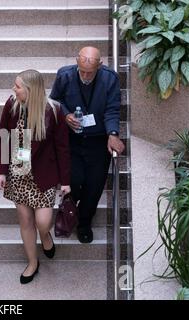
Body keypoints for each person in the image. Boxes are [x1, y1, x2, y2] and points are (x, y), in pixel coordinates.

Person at [0, 69, 71, 284]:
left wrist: (66, 181)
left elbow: (62, 148)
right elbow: (3, 138)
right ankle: (32, 263)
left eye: (17, 86)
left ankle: (45, 237)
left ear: (30, 90)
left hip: (43, 175)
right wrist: (1, 170)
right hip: (18, 174)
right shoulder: (12, 105)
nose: (14, 89)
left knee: (43, 223)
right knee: (26, 221)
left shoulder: (53, 111)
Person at [50, 46, 125, 244]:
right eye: (81, 70)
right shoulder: (64, 75)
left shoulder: (110, 78)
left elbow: (112, 109)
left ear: (99, 66)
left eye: (89, 72)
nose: (85, 76)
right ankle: (71, 208)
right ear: (77, 62)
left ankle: (84, 222)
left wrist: (113, 134)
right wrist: (65, 115)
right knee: (74, 180)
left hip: (98, 139)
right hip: (72, 139)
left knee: (94, 185)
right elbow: (54, 101)